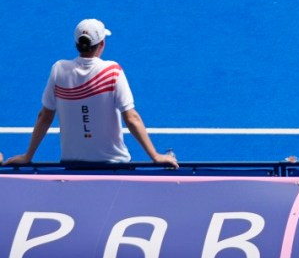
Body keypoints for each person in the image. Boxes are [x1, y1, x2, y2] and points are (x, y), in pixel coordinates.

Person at [2, 19, 178, 168]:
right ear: (102, 44)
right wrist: (155, 156)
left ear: (77, 44)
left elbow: (44, 116)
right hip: (114, 165)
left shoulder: (59, 70)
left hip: (71, 165)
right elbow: (132, 118)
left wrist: (28, 156)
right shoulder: (112, 71)